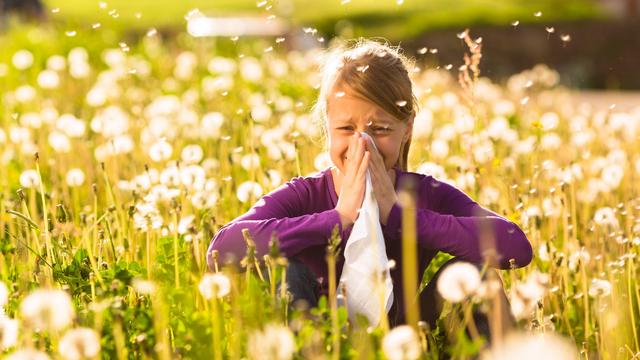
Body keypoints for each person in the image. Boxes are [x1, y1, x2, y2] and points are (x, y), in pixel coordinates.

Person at [206, 39, 533, 336]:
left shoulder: (424, 194)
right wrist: (339, 218)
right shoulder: (306, 194)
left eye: (380, 129)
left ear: (407, 129)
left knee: (476, 274)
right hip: (318, 339)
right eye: (347, 128)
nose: (362, 143)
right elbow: (221, 250)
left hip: (408, 338)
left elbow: (515, 246)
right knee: (284, 271)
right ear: (328, 128)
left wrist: (400, 216)